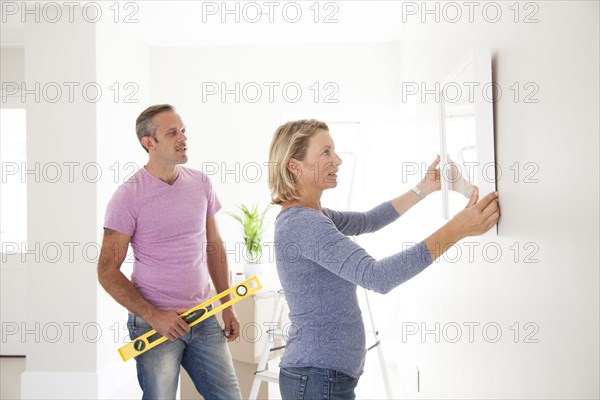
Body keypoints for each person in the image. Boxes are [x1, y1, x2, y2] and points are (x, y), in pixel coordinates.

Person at [267, 119, 500, 400]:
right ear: (295, 166)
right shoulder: (303, 224)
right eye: (325, 152)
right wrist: (457, 230)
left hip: (320, 378)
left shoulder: (316, 216)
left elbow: (369, 220)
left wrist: (423, 188)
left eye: (334, 150)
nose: (338, 160)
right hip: (316, 380)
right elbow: (377, 276)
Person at [97, 104, 242, 400]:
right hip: (156, 324)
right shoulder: (128, 196)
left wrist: (227, 304)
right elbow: (107, 271)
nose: (183, 138)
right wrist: (154, 316)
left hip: (203, 314)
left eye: (184, 130)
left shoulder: (201, 183)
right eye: (172, 132)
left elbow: (214, 247)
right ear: (149, 143)